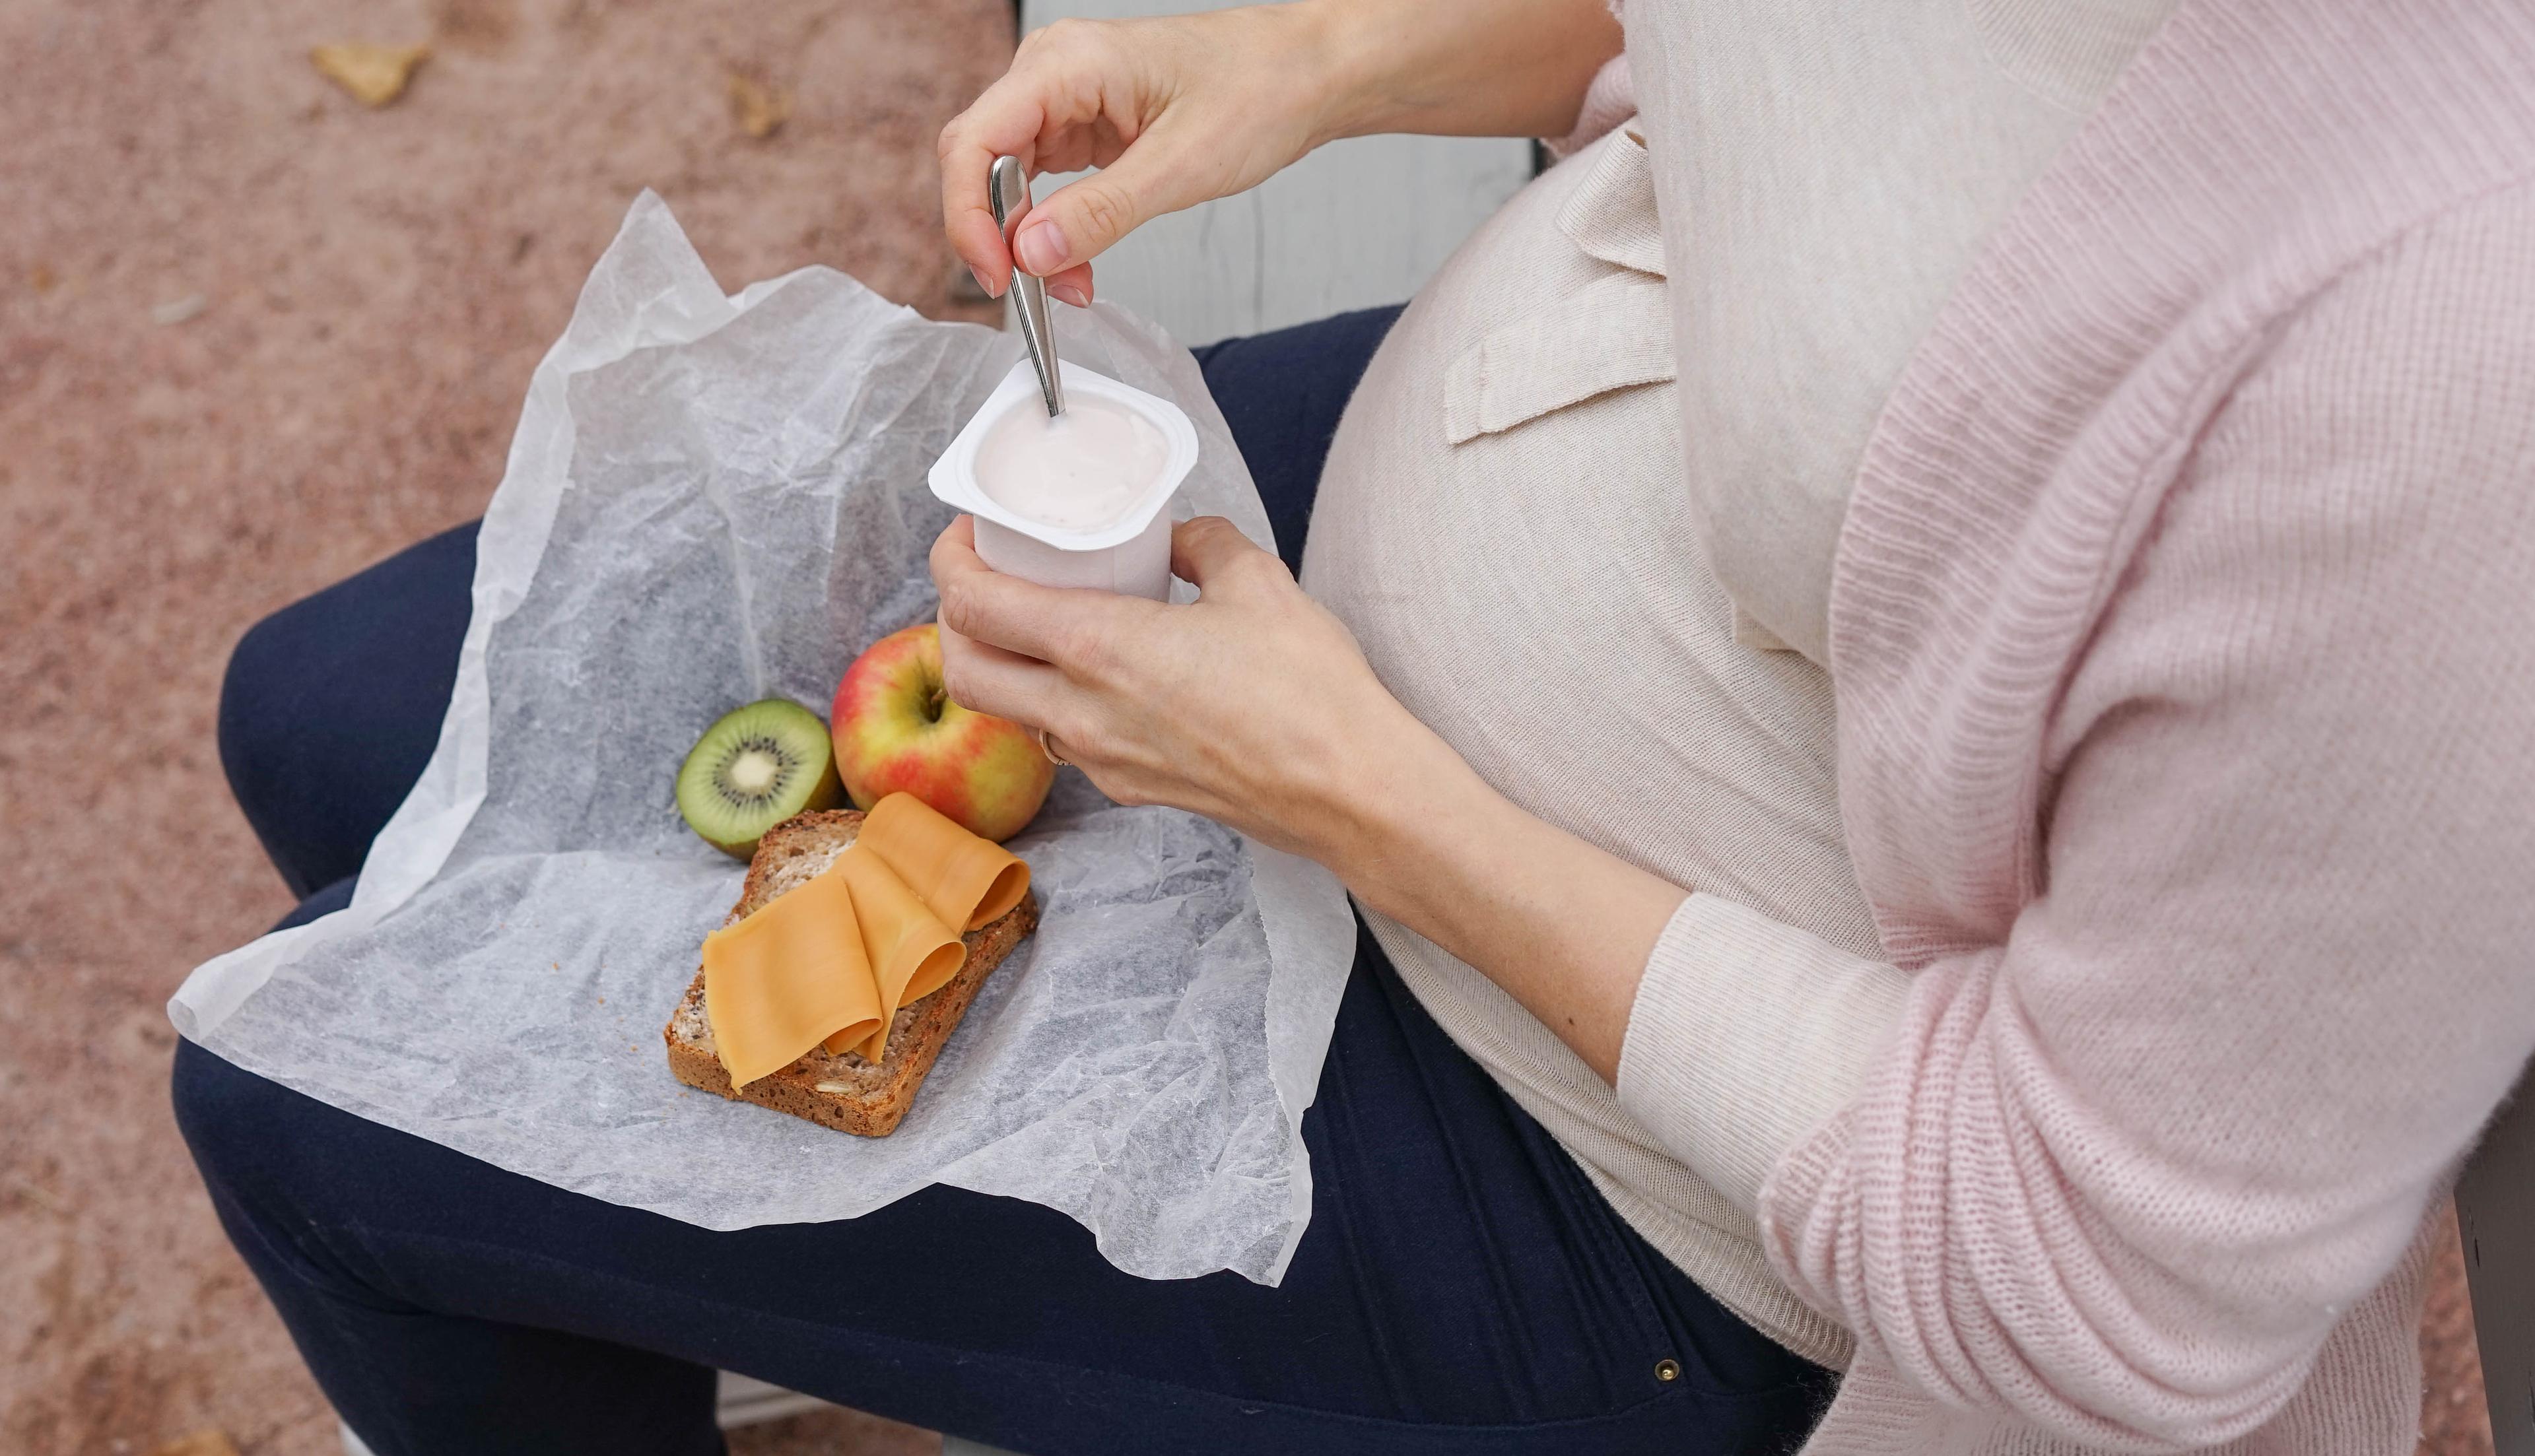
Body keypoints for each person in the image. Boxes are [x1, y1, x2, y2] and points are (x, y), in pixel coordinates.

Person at [180, 1, 2535, 1453]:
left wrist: (1352, 798)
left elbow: (2111, 1288)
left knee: (295, 1119)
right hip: (1417, 611)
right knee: (322, 725)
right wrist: (1329, 56)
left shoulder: (2451, 346)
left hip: (1650, 1186)